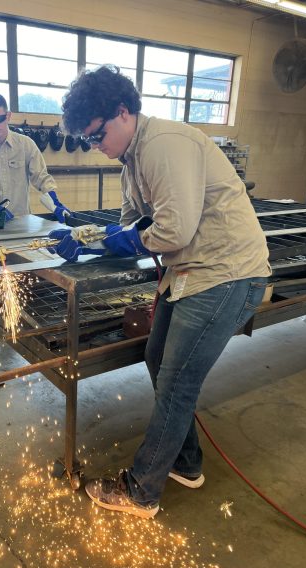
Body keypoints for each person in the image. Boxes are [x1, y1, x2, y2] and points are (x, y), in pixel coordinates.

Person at [50, 65, 271, 519]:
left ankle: (141, 489)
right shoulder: (130, 159)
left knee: (176, 383)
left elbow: (173, 229)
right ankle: (186, 463)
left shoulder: (165, 145)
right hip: (190, 271)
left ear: (123, 112)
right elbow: (134, 220)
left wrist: (128, 239)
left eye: (96, 136)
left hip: (226, 272)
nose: (96, 148)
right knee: (157, 358)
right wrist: (93, 239)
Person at [0, 92, 71, 222]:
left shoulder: (26, 144)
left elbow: (41, 177)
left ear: (8, 116)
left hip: (19, 220)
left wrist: (55, 203)